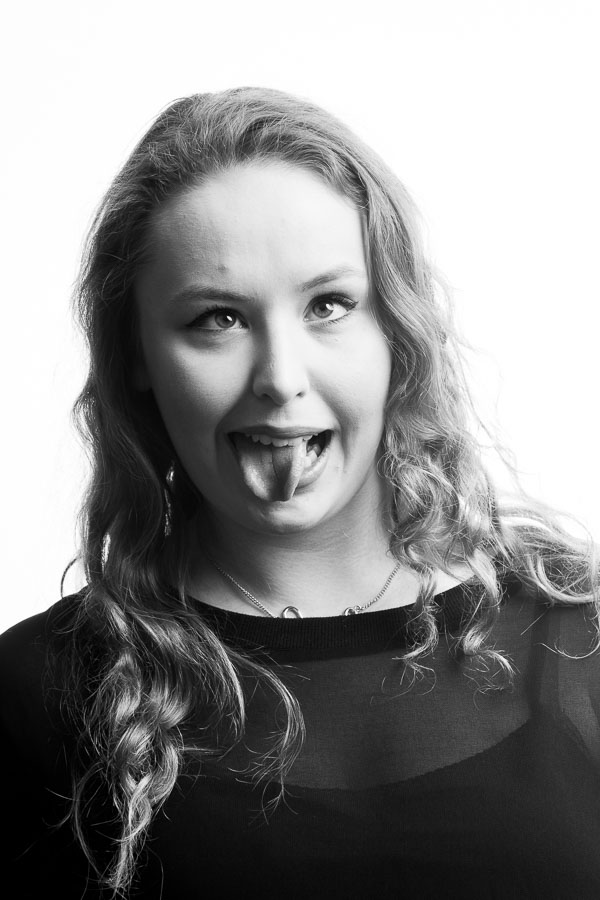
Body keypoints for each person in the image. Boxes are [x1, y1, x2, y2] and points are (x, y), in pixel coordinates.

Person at [1, 87, 598, 900]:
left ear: (396, 330)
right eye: (217, 319)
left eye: (329, 305)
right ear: (135, 355)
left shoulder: (581, 632)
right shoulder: (40, 695)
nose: (281, 378)